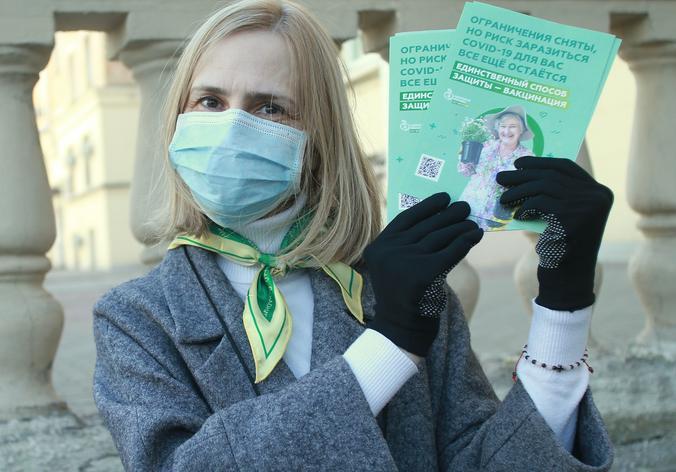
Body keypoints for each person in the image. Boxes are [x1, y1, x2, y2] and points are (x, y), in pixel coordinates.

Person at [92, 0, 614, 470]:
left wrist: (562, 307)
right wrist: (388, 348)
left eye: (270, 106)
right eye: (209, 101)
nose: (231, 128)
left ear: (319, 134)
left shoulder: (403, 286)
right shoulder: (134, 318)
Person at [458, 105, 533, 230]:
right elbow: (466, 172)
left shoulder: (528, 157)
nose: (507, 131)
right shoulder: (485, 146)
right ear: (497, 129)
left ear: (521, 130)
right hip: (469, 206)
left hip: (494, 219)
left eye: (513, 126)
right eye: (503, 126)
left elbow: (525, 189)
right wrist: (464, 158)